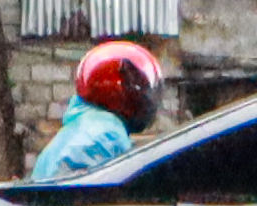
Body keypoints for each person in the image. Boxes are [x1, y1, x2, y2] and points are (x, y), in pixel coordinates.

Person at [29, 42, 164, 181]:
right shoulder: (108, 135)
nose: (145, 98)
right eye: (139, 89)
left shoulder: (83, 127)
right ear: (115, 91)